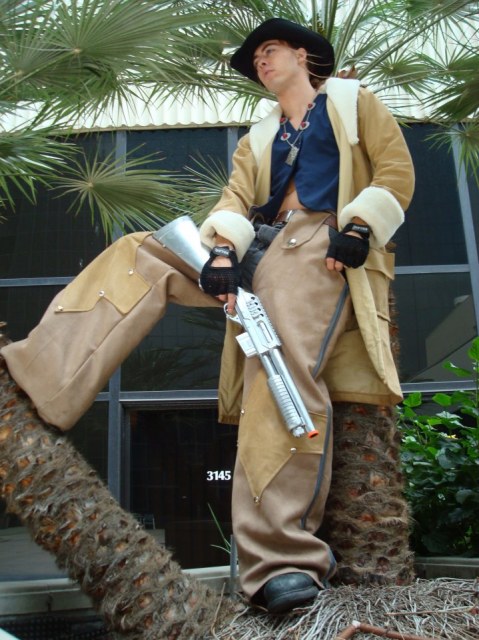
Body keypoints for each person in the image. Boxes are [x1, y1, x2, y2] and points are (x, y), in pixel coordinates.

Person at [0, 18, 415, 614]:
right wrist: (220, 252)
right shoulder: (259, 135)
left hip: (317, 245)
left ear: (303, 55)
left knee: (279, 370)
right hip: (255, 246)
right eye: (256, 59)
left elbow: (395, 173)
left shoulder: (353, 103)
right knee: (139, 254)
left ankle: (282, 562)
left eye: (270, 51)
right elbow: (235, 198)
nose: (261, 63)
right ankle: (35, 375)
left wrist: (359, 228)